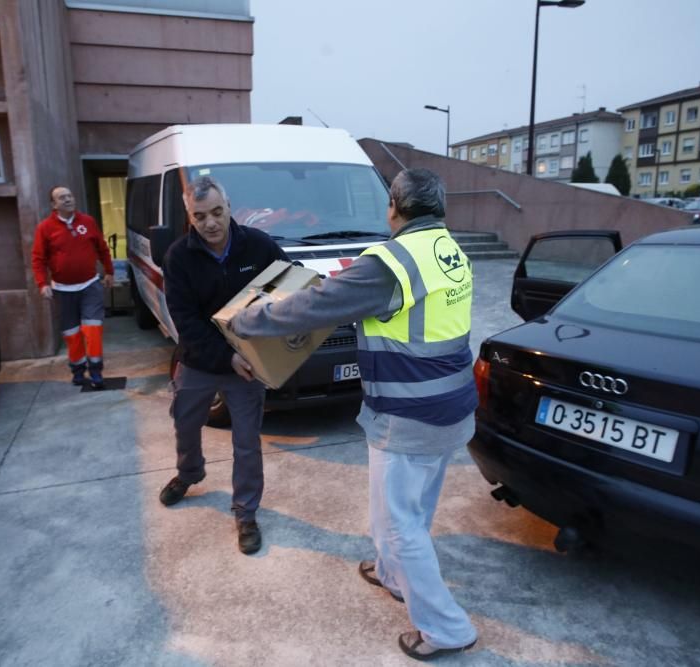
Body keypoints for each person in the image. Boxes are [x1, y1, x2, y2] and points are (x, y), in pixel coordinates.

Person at [230, 169, 478, 660]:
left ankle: (448, 629)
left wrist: (246, 319)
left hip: (409, 412)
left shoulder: (392, 261)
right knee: (413, 510)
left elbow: (315, 305)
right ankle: (391, 575)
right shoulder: (449, 249)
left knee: (397, 524)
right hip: (449, 405)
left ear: (394, 206)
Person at [158, 175, 289, 555]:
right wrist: (224, 357)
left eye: (217, 212)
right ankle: (189, 473)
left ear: (230, 207)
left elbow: (287, 278)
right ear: (190, 217)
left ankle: (246, 512)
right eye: (200, 216)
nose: (210, 222)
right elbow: (186, 322)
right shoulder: (179, 257)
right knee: (185, 421)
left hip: (247, 361)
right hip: (200, 359)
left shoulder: (258, 244)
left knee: (247, 441)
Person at [31, 186, 114, 389]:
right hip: (63, 290)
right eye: (62, 197)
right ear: (54, 205)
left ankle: (96, 371)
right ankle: (78, 371)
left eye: (70, 195)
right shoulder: (45, 228)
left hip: (90, 285)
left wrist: (109, 271)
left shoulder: (87, 222)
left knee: (93, 329)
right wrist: (42, 284)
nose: (68, 199)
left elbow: (102, 248)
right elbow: (38, 259)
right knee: (72, 333)